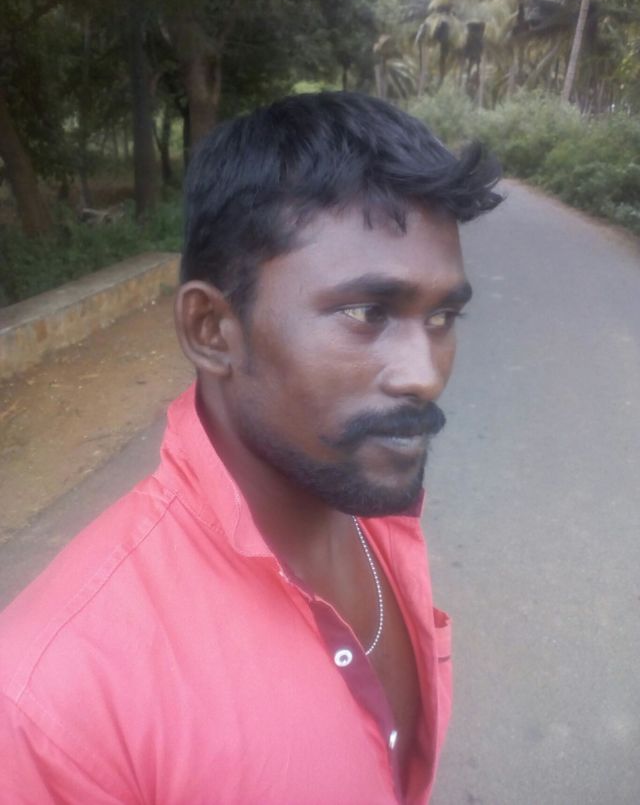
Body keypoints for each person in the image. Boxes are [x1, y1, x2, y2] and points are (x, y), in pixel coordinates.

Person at [0, 92, 501, 804]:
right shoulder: (53, 704)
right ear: (211, 329)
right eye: (368, 313)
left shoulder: (374, 513)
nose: (424, 374)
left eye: (444, 316)